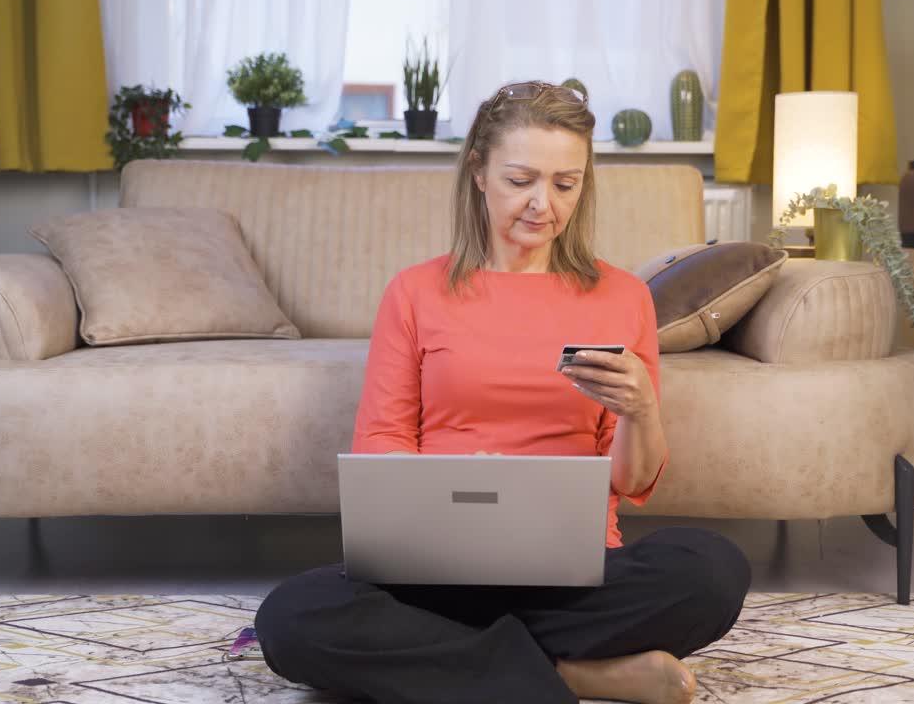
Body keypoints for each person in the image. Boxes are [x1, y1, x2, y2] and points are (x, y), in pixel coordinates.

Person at [254, 80, 750, 704]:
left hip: (573, 569)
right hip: (435, 567)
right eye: (522, 180)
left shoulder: (621, 296)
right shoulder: (415, 292)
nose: (544, 204)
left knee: (712, 569)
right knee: (291, 616)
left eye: (566, 184)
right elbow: (383, 442)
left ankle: (457, 659)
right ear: (479, 173)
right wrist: (448, 492)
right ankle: (572, 674)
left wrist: (642, 409)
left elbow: (629, 480)